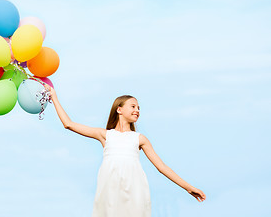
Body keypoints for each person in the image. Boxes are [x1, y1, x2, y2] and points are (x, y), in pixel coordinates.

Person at [45, 86, 206, 217]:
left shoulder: (139, 139)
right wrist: (54, 97)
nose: (137, 110)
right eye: (133, 106)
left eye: (139, 108)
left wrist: (187, 187)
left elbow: (162, 167)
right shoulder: (105, 135)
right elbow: (69, 124)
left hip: (135, 190)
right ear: (119, 109)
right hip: (110, 190)